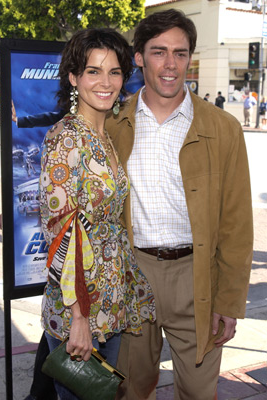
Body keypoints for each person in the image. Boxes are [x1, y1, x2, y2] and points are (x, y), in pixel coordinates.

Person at [105, 9, 253, 400]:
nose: (170, 65)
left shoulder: (223, 129)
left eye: (180, 53)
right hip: (133, 276)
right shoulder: (112, 124)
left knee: (200, 393)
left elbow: (237, 223)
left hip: (197, 277)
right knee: (131, 389)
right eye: (158, 52)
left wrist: (230, 300)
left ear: (190, 57)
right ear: (138, 57)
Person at [39, 27, 155, 400]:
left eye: (115, 71)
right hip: (81, 308)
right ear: (74, 77)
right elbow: (60, 233)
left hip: (111, 303)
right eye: (93, 71)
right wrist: (79, 318)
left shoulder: (103, 135)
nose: (106, 82)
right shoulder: (65, 138)